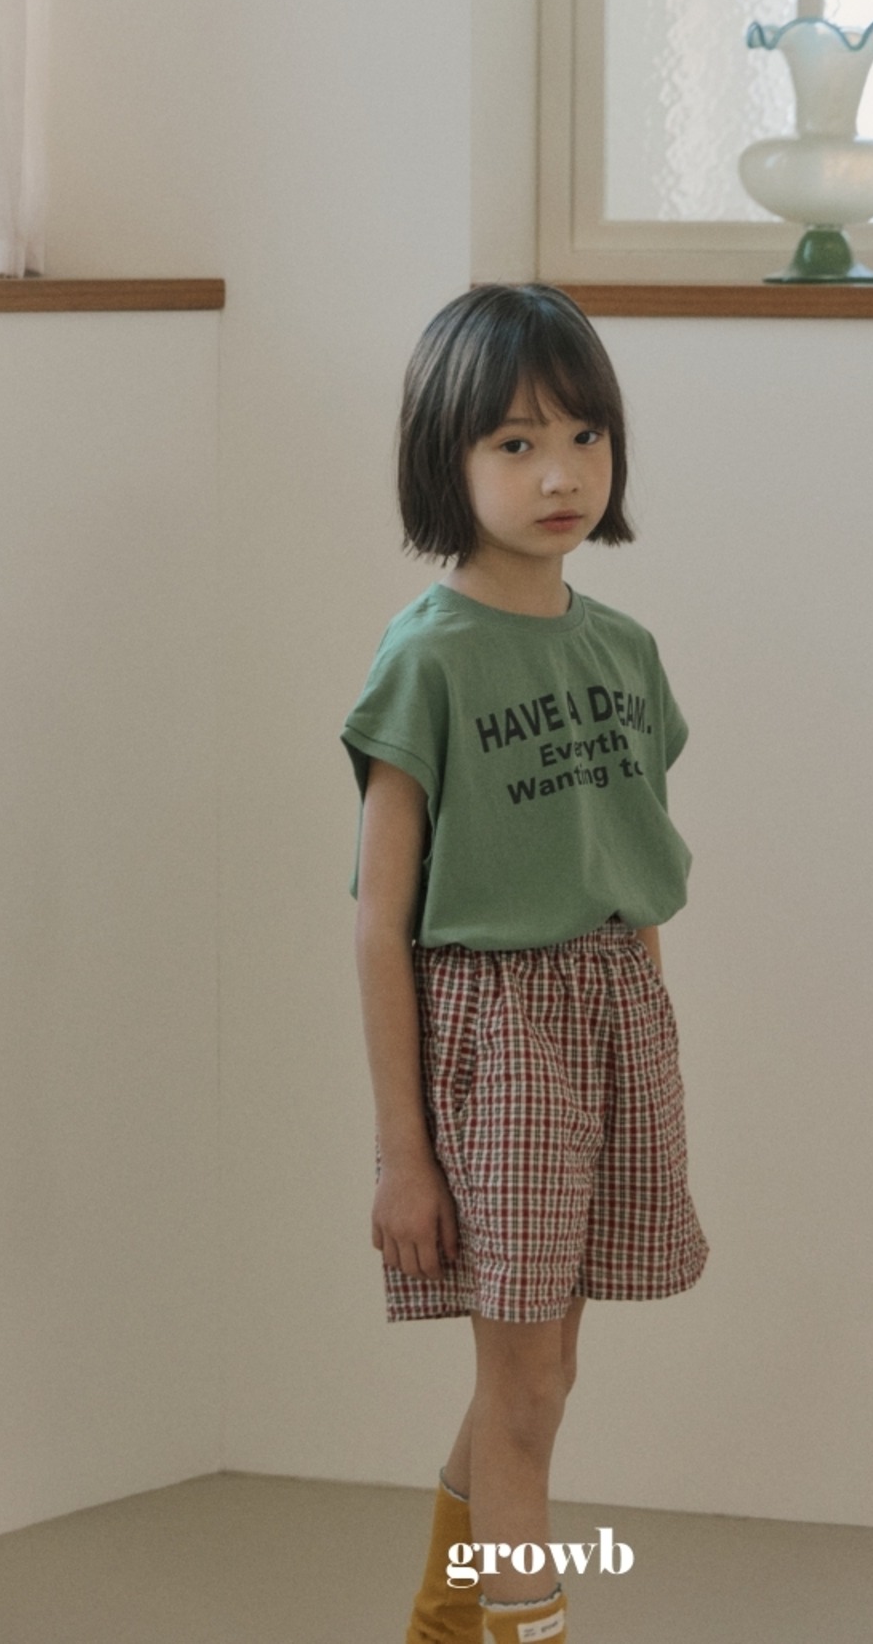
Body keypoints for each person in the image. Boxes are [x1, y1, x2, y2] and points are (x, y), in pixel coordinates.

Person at [343, 283, 708, 1644]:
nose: (560, 474)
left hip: (615, 1015)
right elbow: (379, 923)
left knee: (542, 1374)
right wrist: (404, 1155)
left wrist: (642, 1038)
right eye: (514, 443)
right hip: (495, 1040)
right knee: (526, 1386)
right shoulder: (427, 660)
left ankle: (444, 1623)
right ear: (444, 458)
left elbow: (632, 862)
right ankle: (522, 1628)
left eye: (583, 437)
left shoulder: (624, 651)